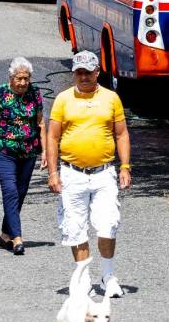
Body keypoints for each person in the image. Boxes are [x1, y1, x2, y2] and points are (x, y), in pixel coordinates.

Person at [47, 50, 131, 298]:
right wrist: (53, 172)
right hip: (72, 173)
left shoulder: (111, 98)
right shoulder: (63, 99)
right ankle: (82, 276)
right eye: (78, 72)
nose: (83, 77)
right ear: (74, 74)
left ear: (97, 72)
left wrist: (125, 166)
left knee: (108, 224)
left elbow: (122, 134)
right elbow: (52, 137)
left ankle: (107, 275)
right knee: (75, 226)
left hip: (104, 172)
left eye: (87, 72)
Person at [0, 57, 46, 255]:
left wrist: (46, 153)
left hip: (28, 151)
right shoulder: (0, 93)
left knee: (21, 192)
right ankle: (17, 238)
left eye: (26, 78)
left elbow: (41, 124)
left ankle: (5, 235)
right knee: (10, 191)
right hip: (4, 151)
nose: (23, 83)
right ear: (11, 78)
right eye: (19, 78)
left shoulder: (35, 93)